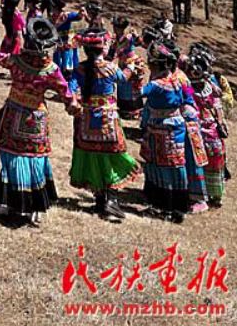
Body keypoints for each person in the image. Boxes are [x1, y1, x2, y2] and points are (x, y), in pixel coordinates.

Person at [0, 18, 79, 226]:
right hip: (36, 118)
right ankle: (33, 204)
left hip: (13, 114)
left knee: (11, 156)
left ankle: (10, 201)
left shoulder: (15, 61)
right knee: (35, 159)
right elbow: (66, 93)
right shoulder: (51, 69)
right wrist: (74, 107)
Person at [69, 27, 141, 219]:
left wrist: (74, 101)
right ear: (103, 48)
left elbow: (71, 88)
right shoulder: (110, 68)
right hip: (107, 118)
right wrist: (131, 66)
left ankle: (100, 199)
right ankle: (111, 199)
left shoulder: (80, 69)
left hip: (86, 119)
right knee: (111, 156)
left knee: (93, 157)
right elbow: (124, 78)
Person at [140, 39, 208, 222]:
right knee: (171, 164)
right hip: (175, 124)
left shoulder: (168, 81)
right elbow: (188, 97)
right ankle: (167, 199)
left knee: (174, 164)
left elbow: (188, 99)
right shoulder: (176, 78)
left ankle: (177, 202)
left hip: (175, 126)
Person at [184, 53, 227, 208]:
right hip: (200, 129)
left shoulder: (203, 88)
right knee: (203, 162)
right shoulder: (193, 88)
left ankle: (211, 194)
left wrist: (219, 123)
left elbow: (217, 105)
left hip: (206, 129)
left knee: (211, 160)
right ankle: (206, 195)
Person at [110, 17, 145, 120]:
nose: (114, 29)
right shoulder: (115, 39)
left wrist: (137, 35)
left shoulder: (129, 37)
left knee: (132, 88)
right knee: (123, 88)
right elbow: (112, 53)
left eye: (116, 27)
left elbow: (140, 43)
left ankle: (134, 111)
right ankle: (124, 110)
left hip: (131, 64)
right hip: (122, 64)